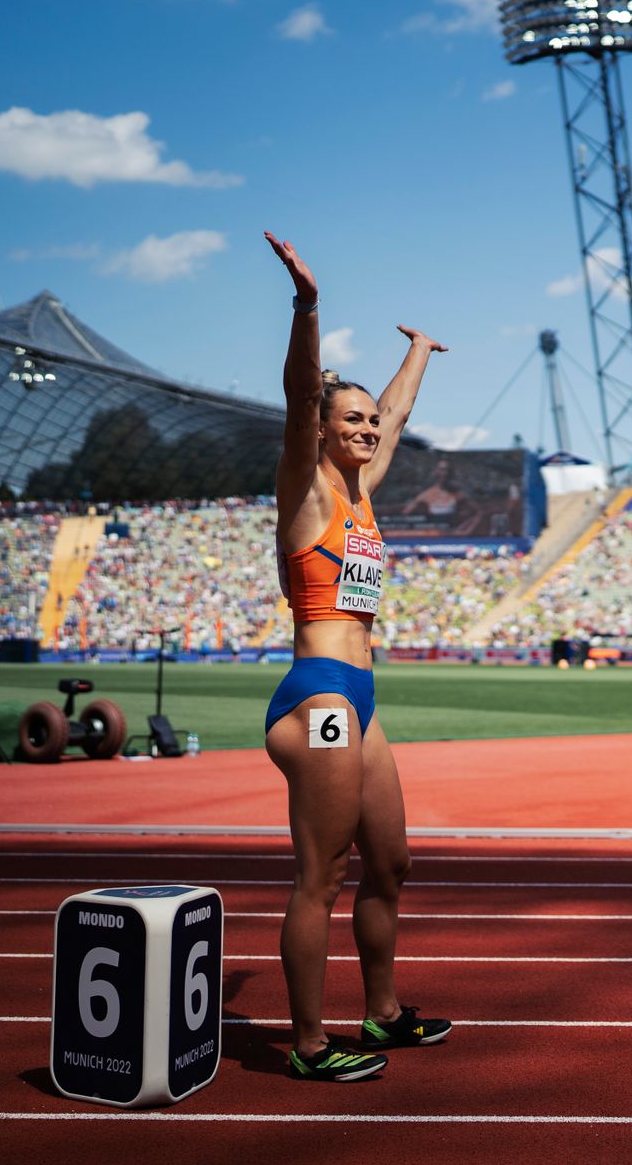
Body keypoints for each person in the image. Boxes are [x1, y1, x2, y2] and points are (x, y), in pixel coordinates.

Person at [262, 231, 452, 1080]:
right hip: (321, 700)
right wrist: (307, 306)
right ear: (325, 431)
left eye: (372, 420)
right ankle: (307, 1044)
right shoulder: (305, 492)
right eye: (354, 419)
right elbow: (303, 397)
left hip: (361, 698)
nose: (371, 429)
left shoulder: (366, 491)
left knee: (393, 862)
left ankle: (379, 1016)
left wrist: (415, 353)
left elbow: (402, 412)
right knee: (322, 875)